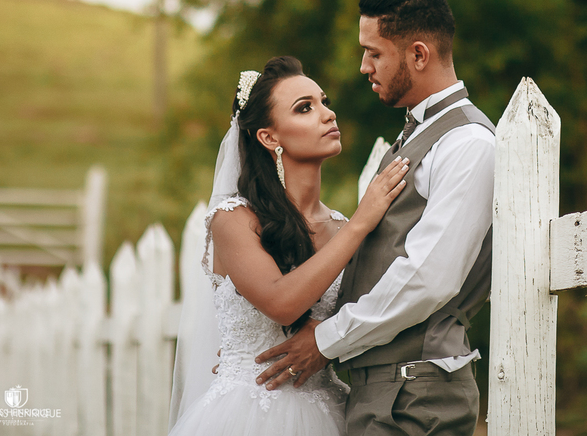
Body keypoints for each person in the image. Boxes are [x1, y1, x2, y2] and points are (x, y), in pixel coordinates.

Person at [255, 0, 496, 436]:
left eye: (375, 53)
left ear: (419, 54)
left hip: (417, 395)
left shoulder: (468, 144)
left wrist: (325, 342)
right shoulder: (415, 135)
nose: (364, 66)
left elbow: (429, 277)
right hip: (386, 393)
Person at [168, 56, 410, 436]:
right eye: (305, 108)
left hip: (332, 410)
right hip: (249, 413)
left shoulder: (342, 228)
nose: (328, 114)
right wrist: (363, 221)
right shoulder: (234, 219)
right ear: (269, 137)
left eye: (324, 101)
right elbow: (282, 305)